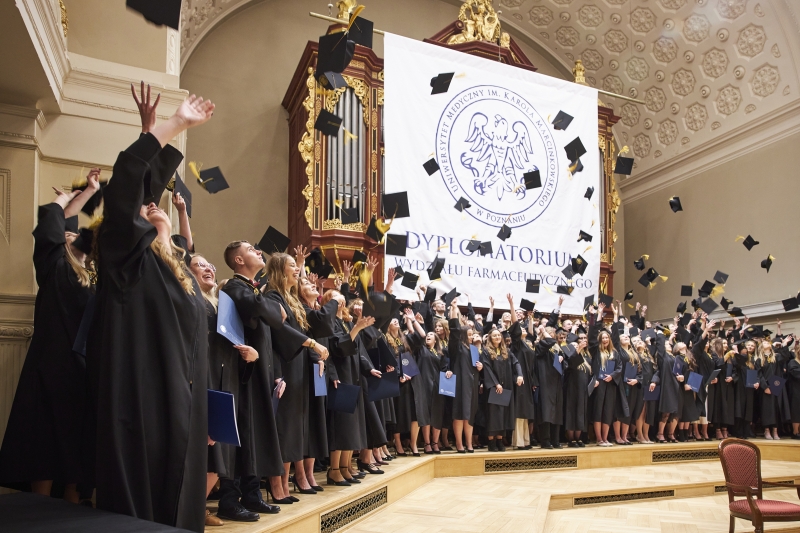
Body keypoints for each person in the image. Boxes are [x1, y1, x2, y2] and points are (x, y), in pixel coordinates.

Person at [88, 94, 214, 533]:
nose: (152, 204)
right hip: (142, 402)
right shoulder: (128, 262)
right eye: (146, 209)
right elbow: (127, 184)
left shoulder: (169, 268)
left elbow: (141, 191)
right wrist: (172, 125)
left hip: (179, 399)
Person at [0, 170, 100, 501]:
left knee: (77, 440)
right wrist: (65, 199)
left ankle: (72, 503)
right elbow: (50, 229)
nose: (70, 237)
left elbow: (85, 235)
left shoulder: (93, 280)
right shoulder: (54, 268)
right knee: (43, 437)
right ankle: (38, 505)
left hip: (82, 369)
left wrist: (88, 193)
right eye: (65, 237)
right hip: (51, 364)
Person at [218, 241, 308, 518]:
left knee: (253, 434)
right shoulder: (235, 288)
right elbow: (264, 310)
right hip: (241, 375)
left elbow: (271, 317)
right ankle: (230, 500)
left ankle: (252, 493)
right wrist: (271, 310)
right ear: (237, 260)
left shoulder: (253, 290)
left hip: (258, 373)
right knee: (240, 434)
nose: (259, 251)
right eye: (250, 249)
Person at [188, 254, 260, 527]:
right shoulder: (192, 302)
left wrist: (250, 356)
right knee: (206, 452)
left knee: (220, 455)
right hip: (201, 379)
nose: (209, 269)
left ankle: (197, 507)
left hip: (224, 380)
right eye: (200, 265)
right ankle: (192, 509)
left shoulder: (223, 308)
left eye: (210, 266)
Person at [266, 253, 331, 499]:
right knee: (285, 427)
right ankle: (277, 485)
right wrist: (313, 344)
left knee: (295, 429)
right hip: (284, 366)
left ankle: (286, 482)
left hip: (299, 367)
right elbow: (282, 332)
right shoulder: (272, 296)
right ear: (280, 270)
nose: (298, 270)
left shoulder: (290, 298)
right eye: (292, 266)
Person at [447, 297, 482, 453]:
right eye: (468, 334)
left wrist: (480, 367)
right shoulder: (456, 346)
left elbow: (475, 367)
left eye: (471, 334)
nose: (470, 336)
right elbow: (453, 330)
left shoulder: (474, 349)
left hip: (472, 385)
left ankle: (469, 443)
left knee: (470, 415)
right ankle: (459, 443)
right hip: (460, 384)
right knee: (459, 414)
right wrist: (454, 309)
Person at [588, 303, 620, 447]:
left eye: (607, 337)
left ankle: (606, 438)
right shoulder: (595, 350)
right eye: (603, 338)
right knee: (598, 410)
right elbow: (592, 334)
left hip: (610, 384)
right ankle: (599, 438)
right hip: (599, 384)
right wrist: (597, 315)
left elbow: (619, 367)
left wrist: (612, 376)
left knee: (608, 411)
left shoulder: (614, 353)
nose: (606, 339)